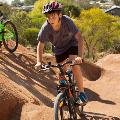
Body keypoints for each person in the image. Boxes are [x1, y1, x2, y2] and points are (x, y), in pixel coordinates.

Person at [35, 1, 88, 105]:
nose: (50, 19)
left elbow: (80, 39)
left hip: (72, 44)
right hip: (59, 49)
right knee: (61, 72)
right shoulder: (45, 27)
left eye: (53, 15)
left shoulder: (67, 21)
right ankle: (63, 94)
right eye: (48, 16)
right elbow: (40, 45)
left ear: (60, 14)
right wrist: (38, 62)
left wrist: (80, 57)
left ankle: (82, 93)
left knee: (74, 65)